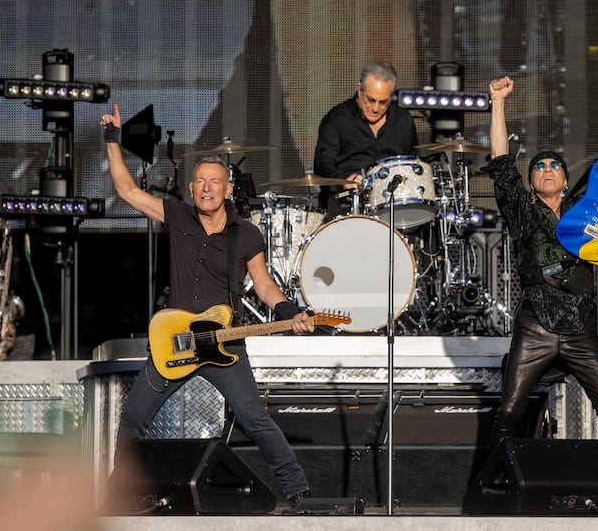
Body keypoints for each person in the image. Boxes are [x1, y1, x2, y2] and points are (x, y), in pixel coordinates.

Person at [100, 104, 314, 507]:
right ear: (192, 188)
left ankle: (298, 490)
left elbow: (265, 286)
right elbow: (127, 190)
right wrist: (113, 139)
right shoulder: (176, 215)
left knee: (254, 418)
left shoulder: (246, 235)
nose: (206, 188)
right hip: (176, 341)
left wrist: (290, 316)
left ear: (228, 189)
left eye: (214, 182)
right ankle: (121, 496)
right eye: (199, 182)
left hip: (224, 344)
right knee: (132, 418)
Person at [484, 76, 598, 458]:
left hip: (581, 327)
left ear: (566, 180)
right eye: (539, 166)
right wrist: (498, 103)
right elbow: (502, 164)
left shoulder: (585, 209)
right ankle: (495, 481)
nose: (547, 168)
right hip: (535, 324)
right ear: (533, 180)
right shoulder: (522, 211)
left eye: (555, 165)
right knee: (509, 410)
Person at [313, 59, 418, 218]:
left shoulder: (403, 120)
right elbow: (322, 164)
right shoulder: (337, 119)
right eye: (371, 100)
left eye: (383, 102)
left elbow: (413, 164)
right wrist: (344, 181)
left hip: (392, 207)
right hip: (346, 207)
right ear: (359, 89)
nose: (376, 108)